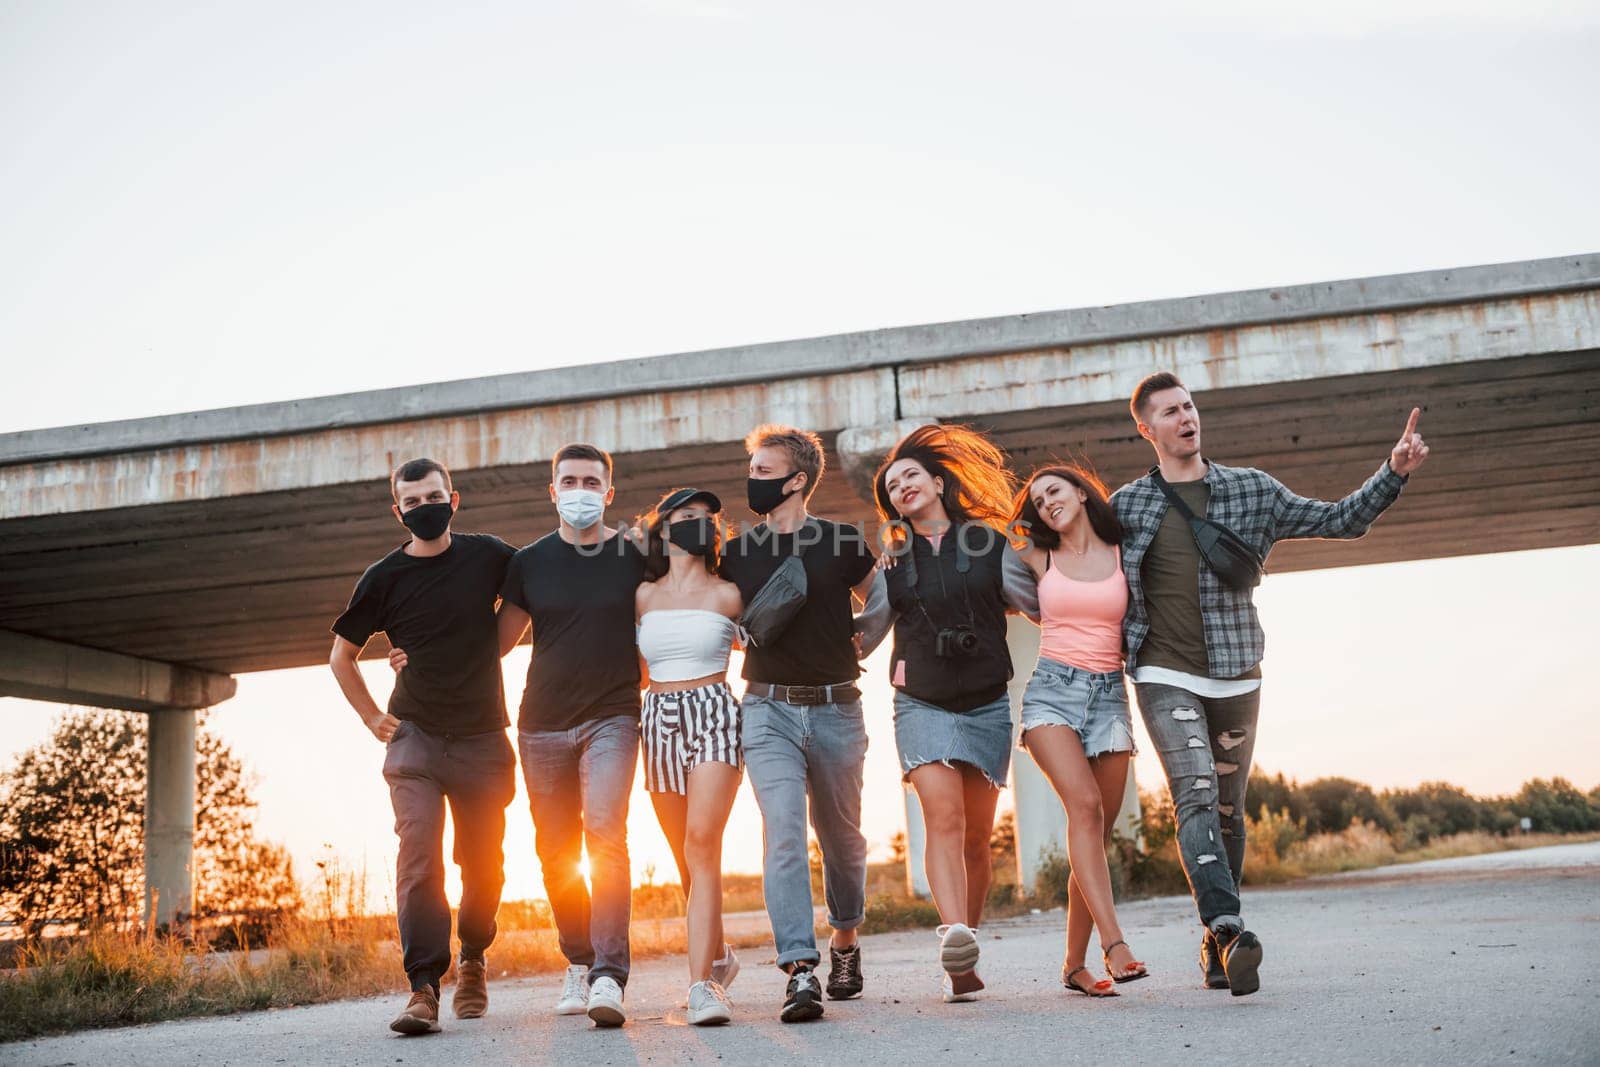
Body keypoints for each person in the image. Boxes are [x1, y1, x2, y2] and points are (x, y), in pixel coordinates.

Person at [1114, 371, 1430, 997]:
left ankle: (1214, 943)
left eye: (1190, 406)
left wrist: (1392, 472)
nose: (1186, 418)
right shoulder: (1127, 505)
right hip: (1160, 672)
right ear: (1147, 429)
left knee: (1230, 811)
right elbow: (1071, 556)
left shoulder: (1251, 489)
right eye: (1171, 412)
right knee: (1196, 792)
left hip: (1236, 672)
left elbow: (1341, 520)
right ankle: (1228, 925)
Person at [328, 458, 517, 1036]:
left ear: (453, 499)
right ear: (398, 511)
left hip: (484, 738)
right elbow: (340, 656)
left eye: (433, 497)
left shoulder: (490, 555)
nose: (424, 508)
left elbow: (533, 599)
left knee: (483, 866)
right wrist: (371, 718)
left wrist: (492, 648)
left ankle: (475, 956)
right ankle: (423, 988)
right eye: (412, 502)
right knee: (419, 856)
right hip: (415, 741)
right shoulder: (383, 577)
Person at [859, 423, 1032, 1004]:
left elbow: (1036, 604)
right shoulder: (893, 561)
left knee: (979, 840)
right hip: (921, 700)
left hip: (986, 700)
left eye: (911, 475)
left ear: (937, 481)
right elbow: (867, 633)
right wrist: (789, 640)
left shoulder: (991, 542)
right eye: (891, 485)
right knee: (945, 820)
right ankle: (953, 933)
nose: (902, 486)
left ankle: (967, 948)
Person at [719, 425, 878, 1023]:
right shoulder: (735, 551)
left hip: (838, 710)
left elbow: (881, 596)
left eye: (764, 472)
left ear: (798, 480)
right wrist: (733, 634)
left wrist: (866, 639)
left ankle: (844, 942)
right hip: (766, 710)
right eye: (752, 469)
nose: (753, 481)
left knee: (843, 843)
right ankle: (800, 971)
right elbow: (719, 611)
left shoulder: (842, 541)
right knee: (782, 832)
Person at [496, 443, 645, 1026]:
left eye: (591, 481)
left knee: (605, 832)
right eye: (569, 480)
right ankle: (579, 961)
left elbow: (668, 607)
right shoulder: (529, 562)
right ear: (552, 491)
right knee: (555, 849)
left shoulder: (635, 554)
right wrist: (416, 654)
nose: (579, 489)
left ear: (608, 493)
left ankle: (610, 976)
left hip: (613, 714)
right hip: (542, 725)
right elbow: (494, 644)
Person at [1011, 464, 1145, 998]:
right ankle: (1115, 946)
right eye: (1038, 501)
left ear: (1083, 493)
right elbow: (970, 554)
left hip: (1110, 695)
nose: (1046, 503)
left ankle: (1073, 966)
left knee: (1094, 833)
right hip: (1051, 693)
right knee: (1084, 810)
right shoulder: (1037, 556)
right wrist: (897, 548)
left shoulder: (1123, 553)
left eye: (1054, 491)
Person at [635, 487, 745, 1025]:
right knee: (684, 857)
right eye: (685, 517)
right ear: (663, 529)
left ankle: (702, 987)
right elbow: (632, 670)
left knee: (702, 844)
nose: (698, 523)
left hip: (713, 711)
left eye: (706, 518)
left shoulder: (730, 593)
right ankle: (719, 956)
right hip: (657, 716)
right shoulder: (643, 596)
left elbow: (773, 644)